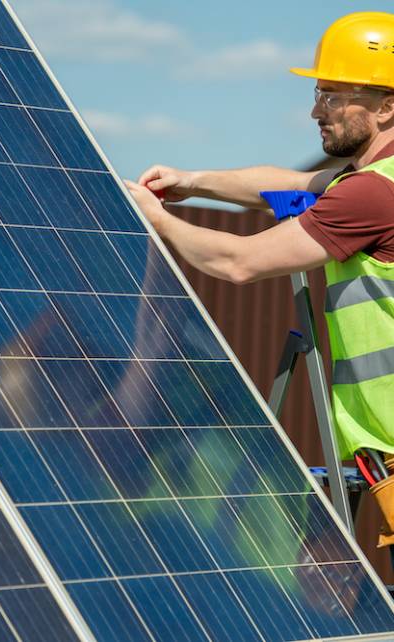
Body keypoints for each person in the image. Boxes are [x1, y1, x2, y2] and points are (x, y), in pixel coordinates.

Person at [126, 11, 394, 538]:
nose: (318, 110)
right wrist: (194, 181)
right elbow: (285, 182)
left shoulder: (370, 194)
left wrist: (157, 219)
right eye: (320, 93)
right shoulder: (367, 182)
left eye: (336, 97)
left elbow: (239, 263)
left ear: (387, 106)